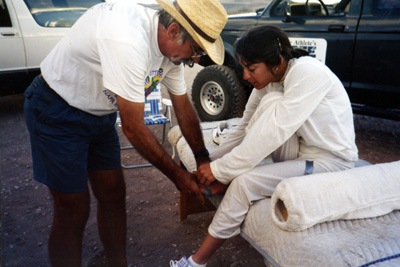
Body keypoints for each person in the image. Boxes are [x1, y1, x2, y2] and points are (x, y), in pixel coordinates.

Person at [23, 0, 227, 266]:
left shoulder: (171, 53)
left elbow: (183, 106)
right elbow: (132, 127)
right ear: (174, 30)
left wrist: (201, 158)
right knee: (73, 209)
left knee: (113, 195)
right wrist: (178, 176)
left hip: (99, 114)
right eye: (197, 49)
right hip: (57, 110)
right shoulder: (128, 39)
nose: (196, 59)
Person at [170, 25, 358, 267]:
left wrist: (220, 171)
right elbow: (243, 128)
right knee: (270, 102)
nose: (246, 76)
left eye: (251, 69)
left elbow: (276, 130)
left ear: (277, 62)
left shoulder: (307, 73)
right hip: (299, 153)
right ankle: (221, 182)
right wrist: (210, 162)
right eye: (245, 69)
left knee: (243, 183)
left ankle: (196, 263)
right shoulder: (272, 79)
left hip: (331, 163)